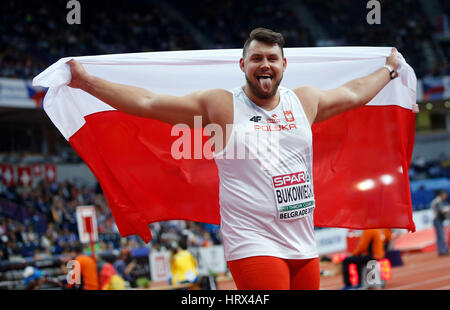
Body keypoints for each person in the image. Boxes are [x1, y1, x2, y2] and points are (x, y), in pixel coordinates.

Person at [67, 27, 399, 290]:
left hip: (302, 240)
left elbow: (355, 93)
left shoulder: (304, 101)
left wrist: (389, 70)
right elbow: (149, 102)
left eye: (272, 57)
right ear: (243, 65)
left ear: (284, 65)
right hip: (253, 241)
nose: (265, 64)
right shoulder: (222, 106)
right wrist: (87, 82)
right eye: (257, 58)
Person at [431, 190, 449, 256]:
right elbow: (441, 211)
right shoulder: (438, 201)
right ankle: (444, 250)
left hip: (437, 220)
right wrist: (448, 209)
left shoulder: (437, 201)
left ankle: (440, 251)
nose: (445, 197)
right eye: (445, 195)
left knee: (439, 236)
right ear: (442, 195)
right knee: (442, 236)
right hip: (438, 220)